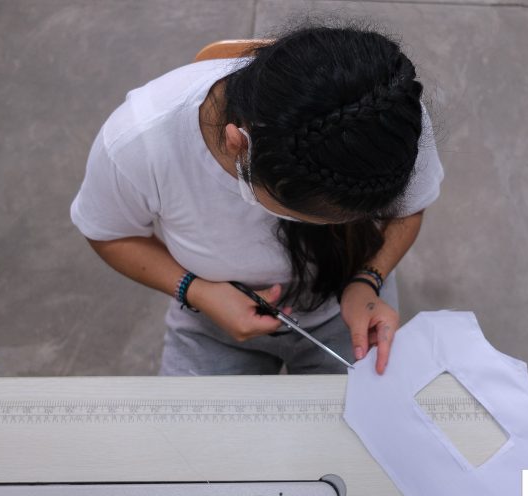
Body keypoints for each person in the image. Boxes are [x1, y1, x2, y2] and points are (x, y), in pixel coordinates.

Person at [70, 23, 444, 376]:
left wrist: (369, 279)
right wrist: (196, 291)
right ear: (239, 145)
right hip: (213, 311)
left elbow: (406, 211)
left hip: (350, 299)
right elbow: (109, 233)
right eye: (317, 216)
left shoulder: (389, 116)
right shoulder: (139, 143)